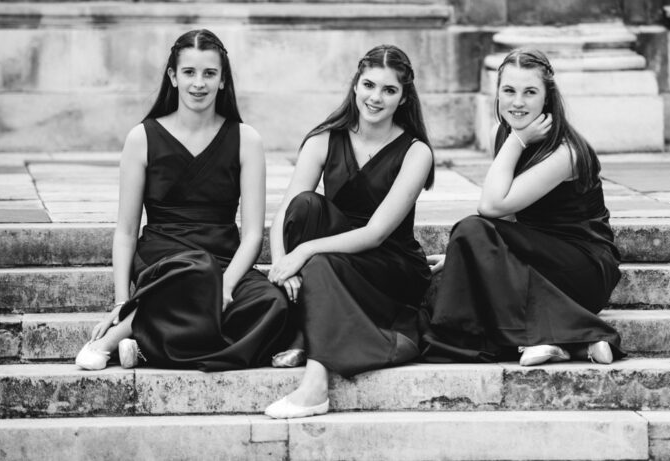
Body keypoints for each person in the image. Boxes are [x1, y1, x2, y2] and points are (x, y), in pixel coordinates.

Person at [75, 29, 291, 371]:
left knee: (272, 302)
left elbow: (252, 235)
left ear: (223, 80)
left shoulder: (246, 140)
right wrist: (121, 301)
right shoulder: (142, 138)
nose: (199, 83)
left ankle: (147, 345)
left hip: (223, 261)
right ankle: (120, 332)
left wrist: (226, 286)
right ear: (173, 77)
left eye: (210, 73)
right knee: (198, 270)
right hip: (164, 263)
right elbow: (126, 231)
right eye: (189, 72)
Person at [421, 49, 623, 367]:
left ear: (547, 97)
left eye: (530, 92)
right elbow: (506, 217)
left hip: (582, 269)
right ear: (497, 93)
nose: (517, 102)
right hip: (537, 258)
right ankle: (559, 341)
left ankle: (576, 332)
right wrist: (465, 256)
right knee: (470, 237)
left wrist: (516, 141)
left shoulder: (566, 152)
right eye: (509, 90)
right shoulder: (503, 133)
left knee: (471, 227)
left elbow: (491, 206)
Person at [263, 44, 435, 419]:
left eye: (389, 90)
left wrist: (304, 252)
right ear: (356, 84)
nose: (376, 97)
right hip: (336, 255)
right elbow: (284, 215)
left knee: (319, 261)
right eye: (369, 85)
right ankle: (310, 332)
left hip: (389, 265)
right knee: (305, 206)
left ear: (404, 98)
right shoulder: (323, 139)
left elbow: (376, 233)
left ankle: (314, 382)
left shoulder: (415, 151)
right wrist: (282, 264)